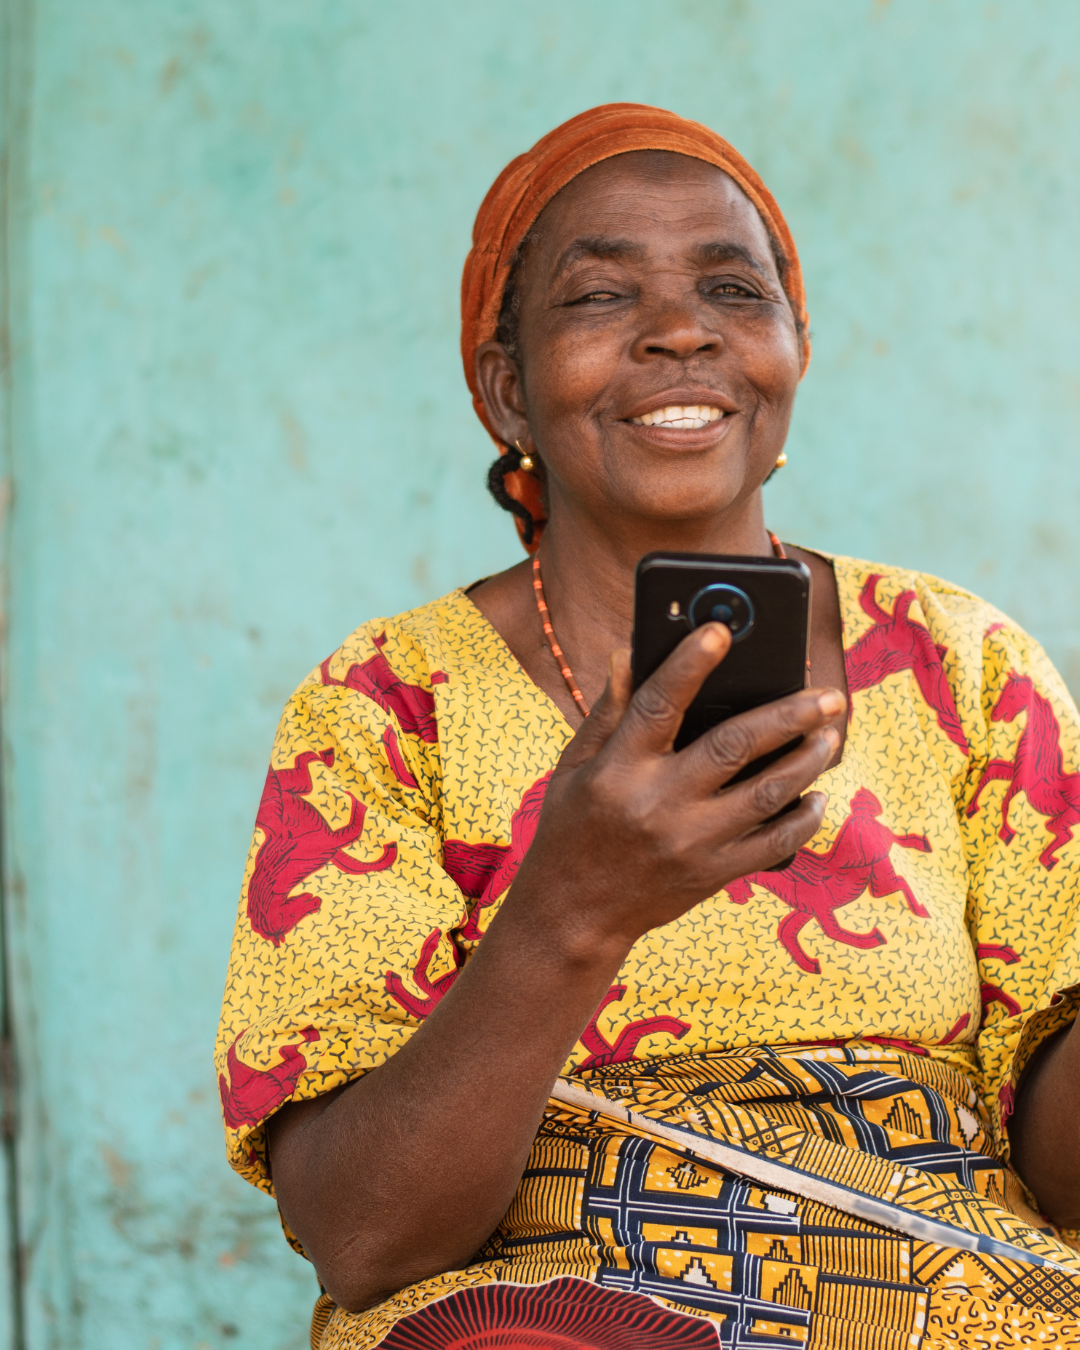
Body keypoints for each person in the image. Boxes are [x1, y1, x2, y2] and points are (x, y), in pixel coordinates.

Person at [216, 104, 1080, 1349]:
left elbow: (1060, 1171)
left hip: (954, 1299)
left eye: (735, 288)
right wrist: (576, 910)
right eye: (601, 297)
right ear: (506, 390)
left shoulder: (962, 663)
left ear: (793, 352)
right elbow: (364, 1239)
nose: (683, 331)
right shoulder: (386, 703)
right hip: (552, 1318)